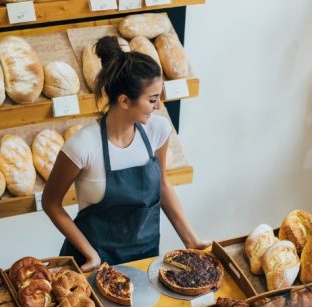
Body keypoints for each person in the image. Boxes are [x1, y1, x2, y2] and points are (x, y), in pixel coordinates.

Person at [43, 36, 209, 272]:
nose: (159, 106)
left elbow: (162, 184)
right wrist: (90, 254)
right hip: (93, 264)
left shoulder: (157, 130)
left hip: (144, 258)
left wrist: (191, 239)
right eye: (152, 99)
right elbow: (50, 203)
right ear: (124, 101)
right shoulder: (83, 146)